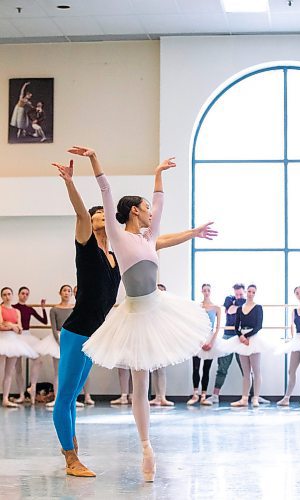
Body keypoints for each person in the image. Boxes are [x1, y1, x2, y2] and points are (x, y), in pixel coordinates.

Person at [51, 152, 217, 478]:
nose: (99, 217)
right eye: (97, 216)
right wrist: (87, 167)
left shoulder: (127, 248)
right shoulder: (101, 239)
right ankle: (79, 456)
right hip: (95, 325)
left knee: (75, 395)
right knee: (69, 395)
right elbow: (101, 195)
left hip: (116, 324)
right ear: (131, 212)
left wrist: (160, 175)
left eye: (102, 216)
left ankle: (79, 450)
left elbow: (161, 225)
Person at [220, 285, 266, 407]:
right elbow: (236, 325)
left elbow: (259, 325)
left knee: (256, 371)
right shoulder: (240, 308)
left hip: (253, 338)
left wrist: (247, 336)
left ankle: (255, 397)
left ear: (255, 293)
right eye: (249, 291)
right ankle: (244, 398)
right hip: (242, 339)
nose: (250, 294)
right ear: (246, 292)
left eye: (253, 292)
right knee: (246, 372)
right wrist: (240, 336)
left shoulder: (258, 308)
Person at [206, 283, 246, 404]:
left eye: (241, 294)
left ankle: (253, 395)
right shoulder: (229, 298)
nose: (238, 297)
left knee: (246, 369)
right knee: (222, 368)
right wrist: (236, 304)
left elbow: (238, 307)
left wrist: (238, 304)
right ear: (233, 292)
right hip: (228, 336)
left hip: (240, 337)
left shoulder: (245, 301)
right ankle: (215, 395)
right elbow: (230, 309)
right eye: (236, 294)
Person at [0, 287, 38, 407]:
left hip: (14, 342)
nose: (7, 296)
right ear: (2, 297)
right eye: (4, 294)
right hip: (3, 340)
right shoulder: (0, 308)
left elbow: (20, 329)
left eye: (9, 294)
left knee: (9, 372)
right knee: (1, 371)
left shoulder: (17, 311)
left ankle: (6, 398)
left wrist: (9, 324)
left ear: (12, 295)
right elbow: (0, 325)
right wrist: (12, 325)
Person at [39, 285, 74, 407]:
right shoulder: (54, 309)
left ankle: (71, 399)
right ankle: (57, 398)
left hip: (71, 338)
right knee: (58, 371)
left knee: (71, 371)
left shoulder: (75, 308)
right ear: (60, 293)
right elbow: (53, 328)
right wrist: (59, 342)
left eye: (69, 291)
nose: (66, 293)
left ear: (71, 294)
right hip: (58, 339)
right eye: (64, 290)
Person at [12, 286, 48, 405]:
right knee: (18, 367)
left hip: (28, 336)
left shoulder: (29, 309)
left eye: (27, 294)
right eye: (23, 293)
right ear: (18, 294)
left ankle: (32, 387)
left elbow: (44, 321)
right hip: (16, 336)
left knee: (38, 360)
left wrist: (43, 308)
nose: (25, 295)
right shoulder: (14, 308)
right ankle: (21, 395)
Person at [187, 284, 221, 406]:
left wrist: (211, 342)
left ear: (211, 292)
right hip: (198, 339)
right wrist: (200, 341)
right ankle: (195, 393)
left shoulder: (216, 308)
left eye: (208, 290)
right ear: (202, 291)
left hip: (210, 338)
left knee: (206, 369)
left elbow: (217, 327)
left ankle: (203, 395)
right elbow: (194, 325)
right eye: (204, 290)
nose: (206, 292)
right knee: (196, 367)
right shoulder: (197, 307)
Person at [150, 284, 174, 407]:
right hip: (152, 341)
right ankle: (157, 397)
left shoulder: (166, 308)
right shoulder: (150, 308)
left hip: (162, 341)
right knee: (154, 369)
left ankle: (163, 396)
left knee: (162, 370)